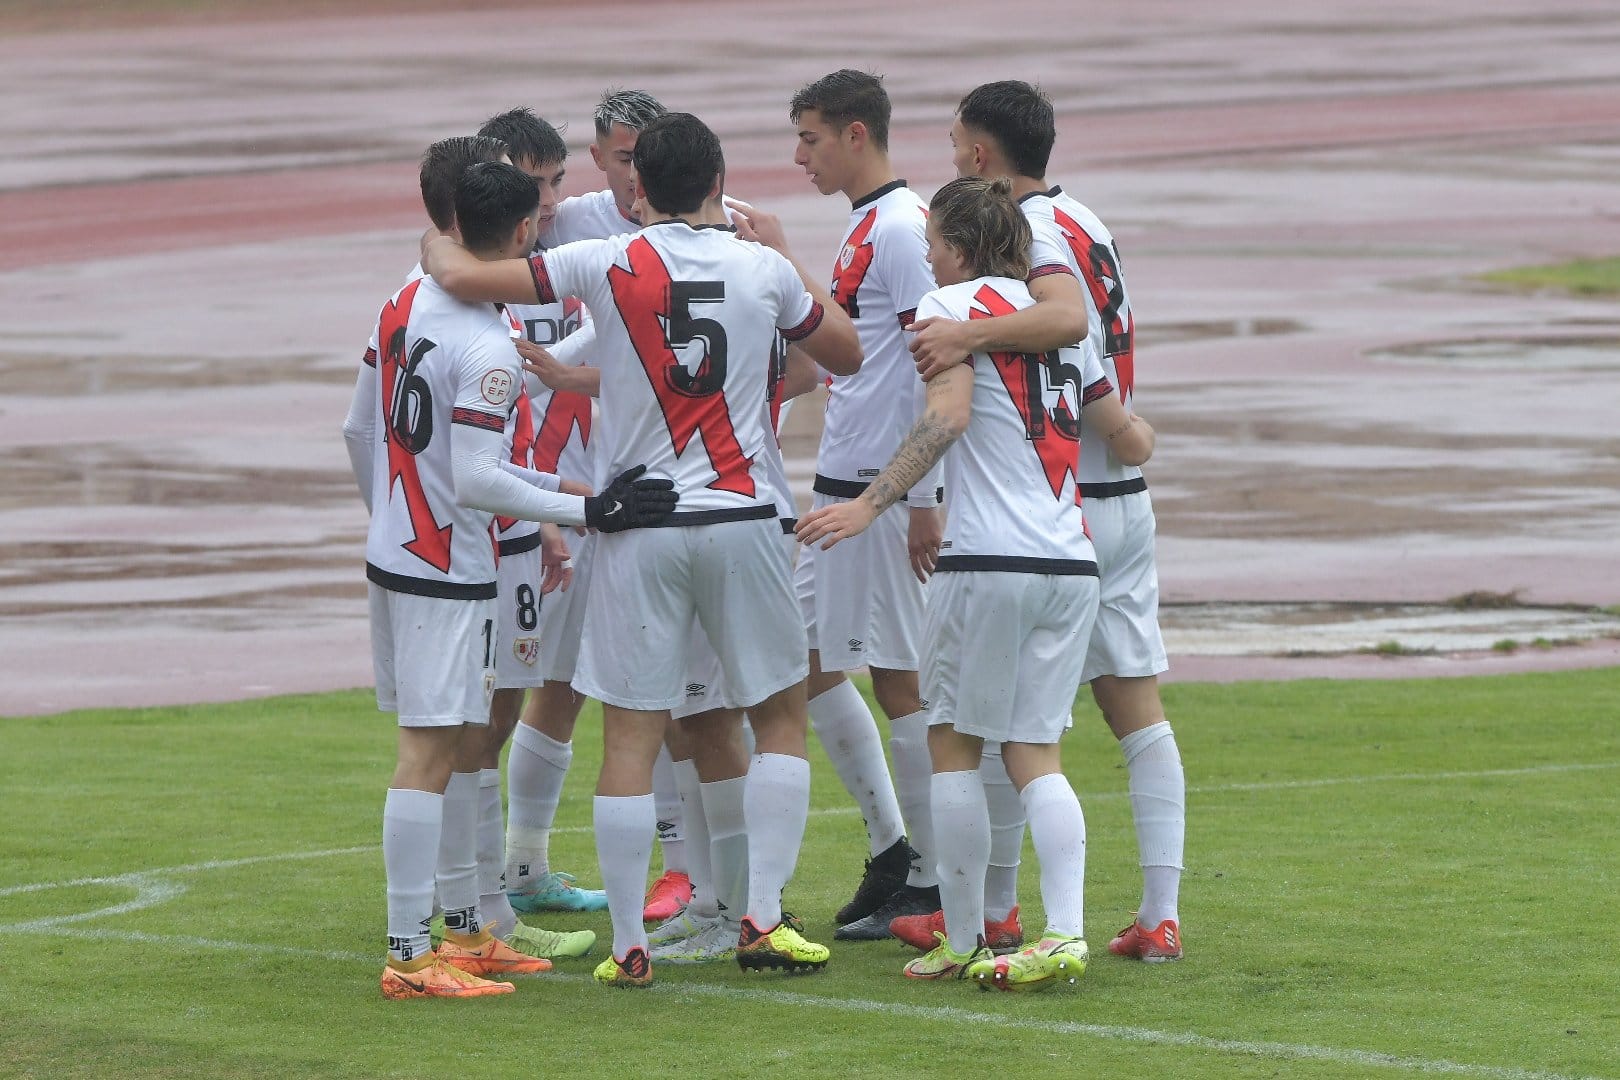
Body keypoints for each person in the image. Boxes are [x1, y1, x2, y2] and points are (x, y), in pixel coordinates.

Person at [422, 113, 862, 988]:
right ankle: (762, 919)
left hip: (638, 523)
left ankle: (629, 945)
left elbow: (467, 271)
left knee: (630, 734)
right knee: (775, 718)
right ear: (717, 179)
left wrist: (435, 231)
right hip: (742, 517)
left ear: (638, 188)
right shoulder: (761, 266)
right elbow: (844, 350)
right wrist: (784, 264)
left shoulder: (607, 260)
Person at [797, 175, 1154, 989]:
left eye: (932, 246)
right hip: (1071, 559)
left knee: (952, 744)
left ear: (957, 248)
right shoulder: (1062, 322)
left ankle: (962, 936)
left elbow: (947, 416)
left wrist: (869, 504)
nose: (926, 258)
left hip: (986, 560)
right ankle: (1064, 933)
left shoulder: (947, 311)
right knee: (1037, 751)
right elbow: (1125, 434)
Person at [345, 160, 677, 998]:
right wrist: (587, 508)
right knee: (429, 750)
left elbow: (361, 428)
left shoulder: (405, 298)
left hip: (399, 551)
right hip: (446, 569)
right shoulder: (489, 346)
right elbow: (479, 481)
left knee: (457, 742)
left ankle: (462, 929)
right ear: (526, 234)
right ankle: (408, 953)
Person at [913, 80, 1187, 962]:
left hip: (1054, 504)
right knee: (1128, 714)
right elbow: (1095, 353)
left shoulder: (1032, 243)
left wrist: (960, 342)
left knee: (992, 725)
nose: (951, 157)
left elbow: (1062, 322)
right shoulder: (1092, 220)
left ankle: (991, 917)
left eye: (956, 143)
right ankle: (1157, 910)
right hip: (1107, 500)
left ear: (983, 156)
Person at [501, 89, 698, 925]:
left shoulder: (706, 231)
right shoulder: (561, 225)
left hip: (638, 497)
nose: (633, 176)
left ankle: (684, 867)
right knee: (543, 688)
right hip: (535, 501)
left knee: (667, 692)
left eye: (645, 159)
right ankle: (519, 869)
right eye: (620, 159)